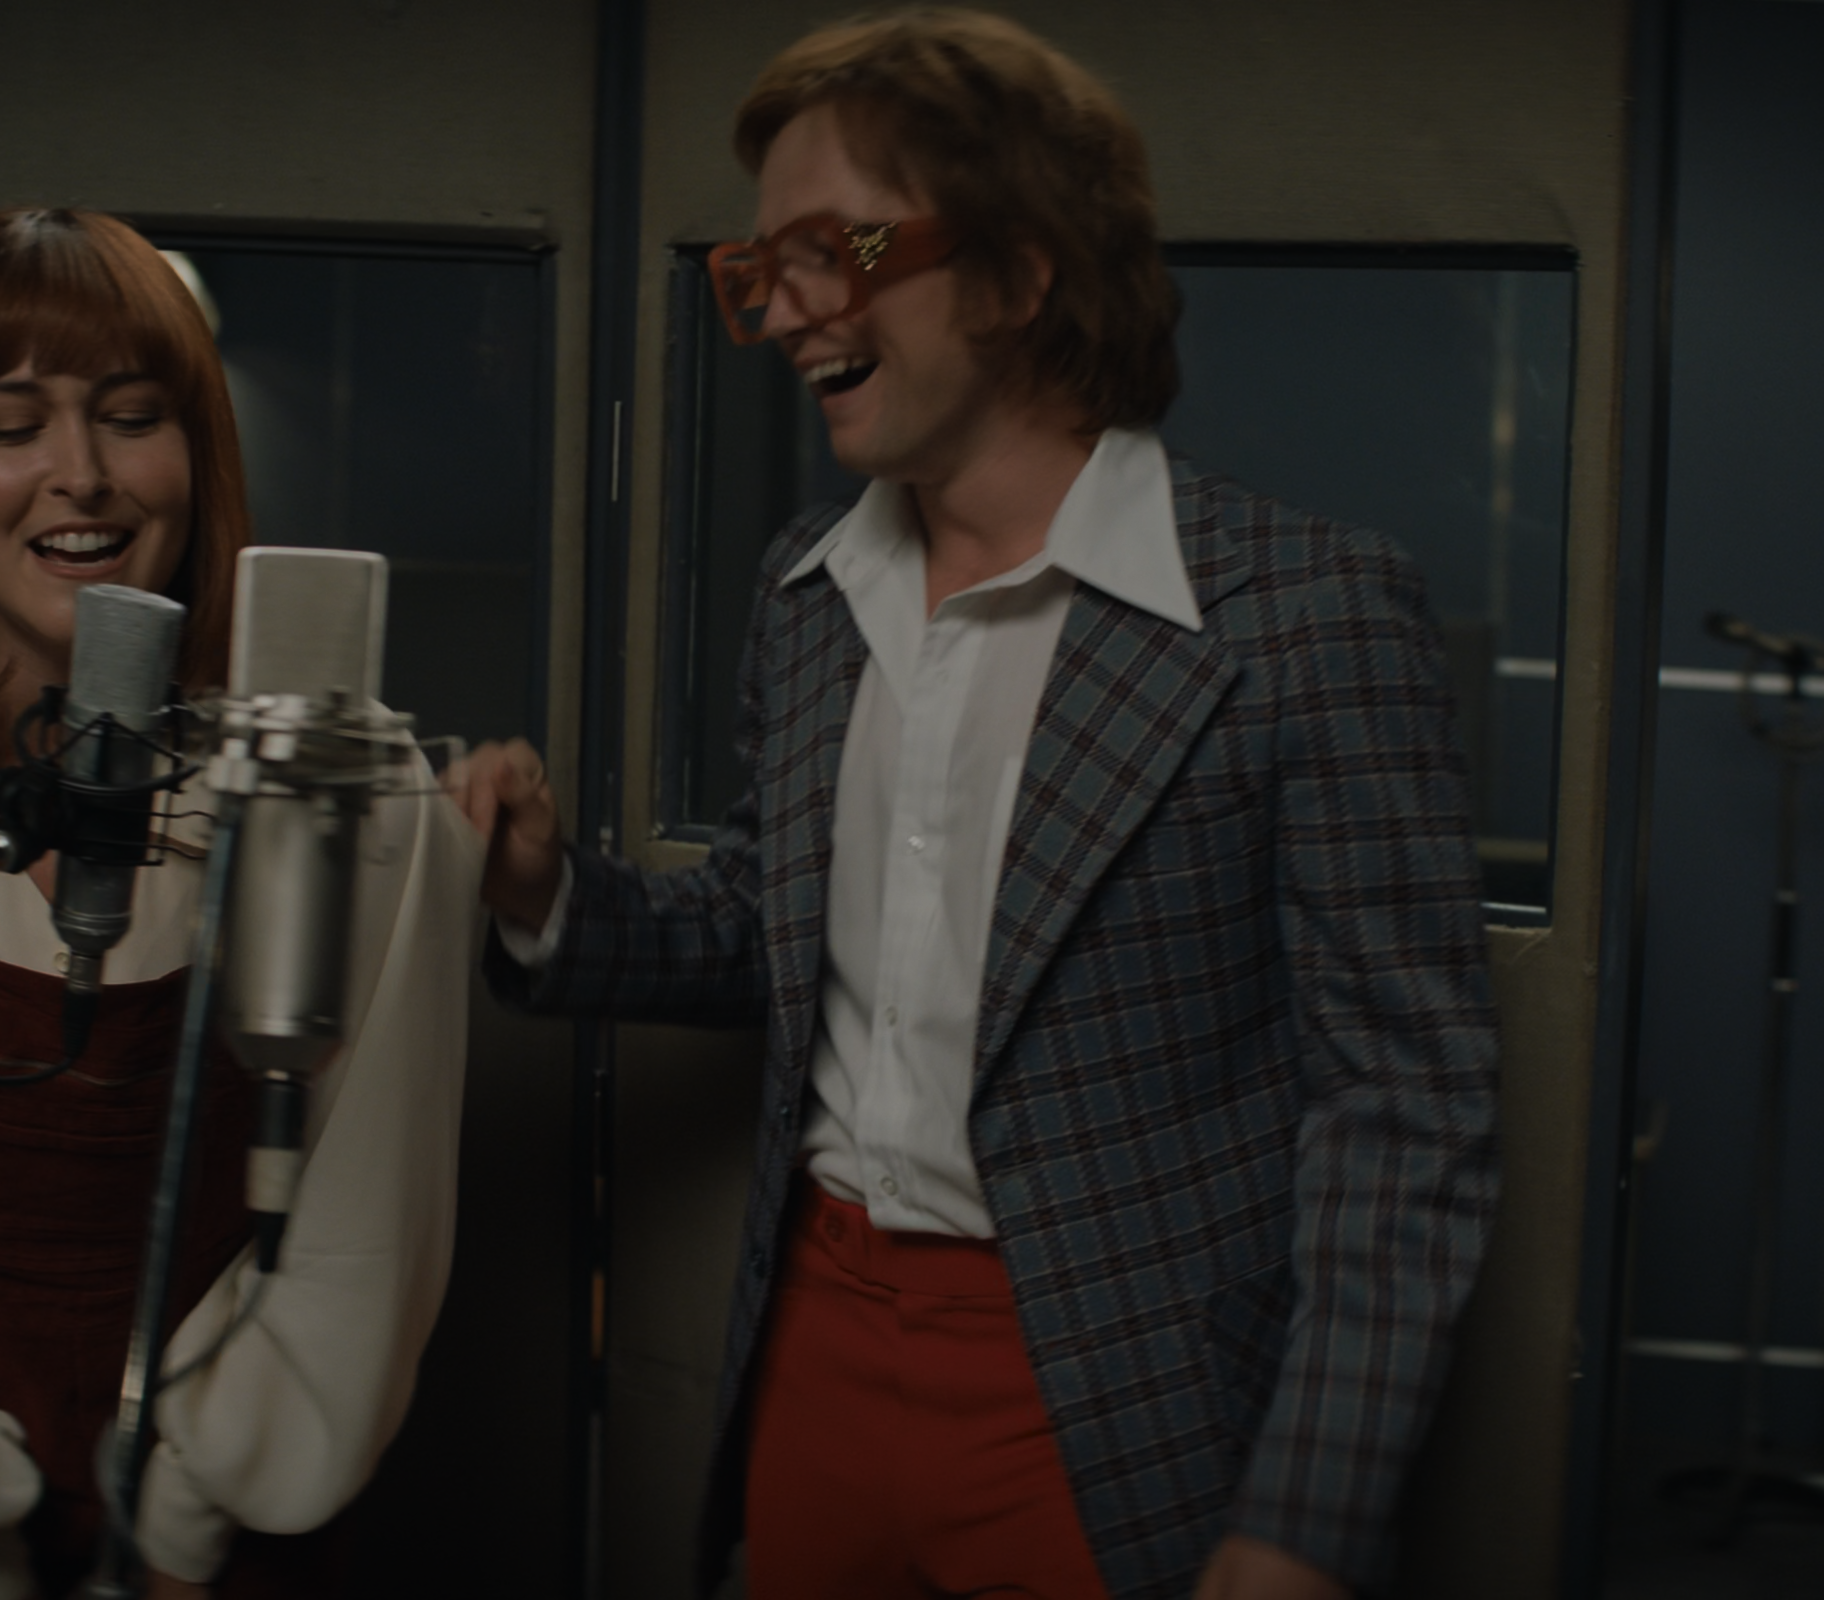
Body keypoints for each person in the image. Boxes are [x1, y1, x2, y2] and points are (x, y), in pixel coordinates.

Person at [445, 12, 1500, 1598]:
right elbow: (759, 934)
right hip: (813, 1346)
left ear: (1018, 273)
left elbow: (1404, 1109)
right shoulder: (809, 595)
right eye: (763, 267)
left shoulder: (1309, 616)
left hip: (1116, 1399)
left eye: (839, 248)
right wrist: (544, 894)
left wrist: (1307, 1516)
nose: (783, 309)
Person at [0, 207, 480, 1600]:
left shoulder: (347, 779)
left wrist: (187, 1524)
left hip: (224, 1521)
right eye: (12, 425)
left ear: (199, 451)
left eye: (132, 417)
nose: (84, 477)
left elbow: (365, 1229)